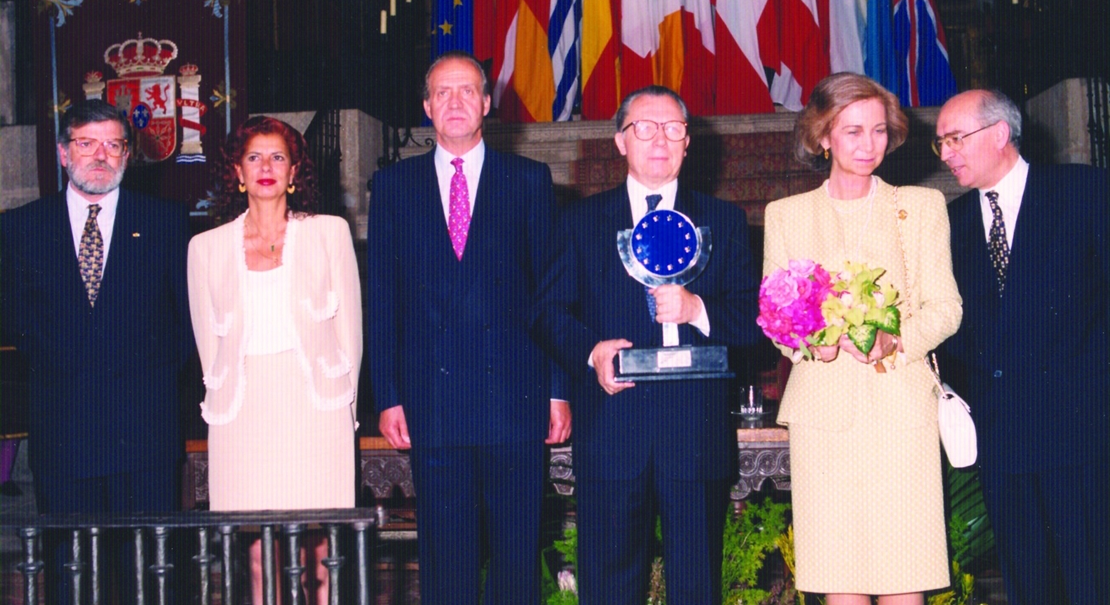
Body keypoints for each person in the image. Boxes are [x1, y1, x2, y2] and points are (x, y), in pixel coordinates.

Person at [530, 85, 762, 605]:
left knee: (696, 586)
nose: (659, 139)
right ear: (620, 142)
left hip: (695, 433)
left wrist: (697, 309)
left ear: (688, 143)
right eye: (644, 128)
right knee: (609, 585)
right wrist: (592, 352)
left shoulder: (724, 223)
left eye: (673, 128)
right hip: (612, 430)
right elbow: (546, 313)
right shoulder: (579, 222)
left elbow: (752, 322)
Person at [365, 50, 570, 605]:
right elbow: (381, 299)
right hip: (432, 398)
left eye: (467, 91)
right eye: (442, 92)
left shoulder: (529, 179)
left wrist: (556, 388)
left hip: (515, 396)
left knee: (515, 554)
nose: (455, 102)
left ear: (485, 103)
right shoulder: (393, 185)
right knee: (445, 558)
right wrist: (388, 394)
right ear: (427, 107)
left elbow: (552, 297)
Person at [762, 73, 963, 605]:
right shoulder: (785, 215)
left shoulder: (919, 206)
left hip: (901, 410)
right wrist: (810, 345)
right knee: (839, 579)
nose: (867, 144)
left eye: (878, 131)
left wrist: (894, 341)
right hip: (822, 416)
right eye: (852, 131)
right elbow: (778, 320)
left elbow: (946, 309)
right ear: (823, 136)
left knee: (903, 576)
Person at [0, 99, 192, 602]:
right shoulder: (21, 227)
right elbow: (19, 325)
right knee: (72, 577)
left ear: (129, 154)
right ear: (64, 153)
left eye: (113, 144)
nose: (100, 156)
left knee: (151, 576)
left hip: (144, 433)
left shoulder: (166, 221)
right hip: (64, 431)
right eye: (87, 144)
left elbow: (185, 325)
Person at [936, 89, 1109, 605]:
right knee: (1029, 587)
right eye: (939, 143)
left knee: (1092, 581)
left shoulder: (1085, 191)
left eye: (955, 138)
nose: (946, 153)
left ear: (999, 134)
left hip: (1083, 436)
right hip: (1002, 444)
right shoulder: (952, 222)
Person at [187, 116, 362, 603]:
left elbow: (350, 335)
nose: (266, 166)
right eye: (254, 157)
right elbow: (208, 347)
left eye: (278, 156)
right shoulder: (205, 248)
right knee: (260, 550)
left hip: (314, 409)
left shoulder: (329, 233)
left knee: (320, 546)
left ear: (294, 171)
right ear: (237, 172)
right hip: (242, 415)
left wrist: (343, 409)